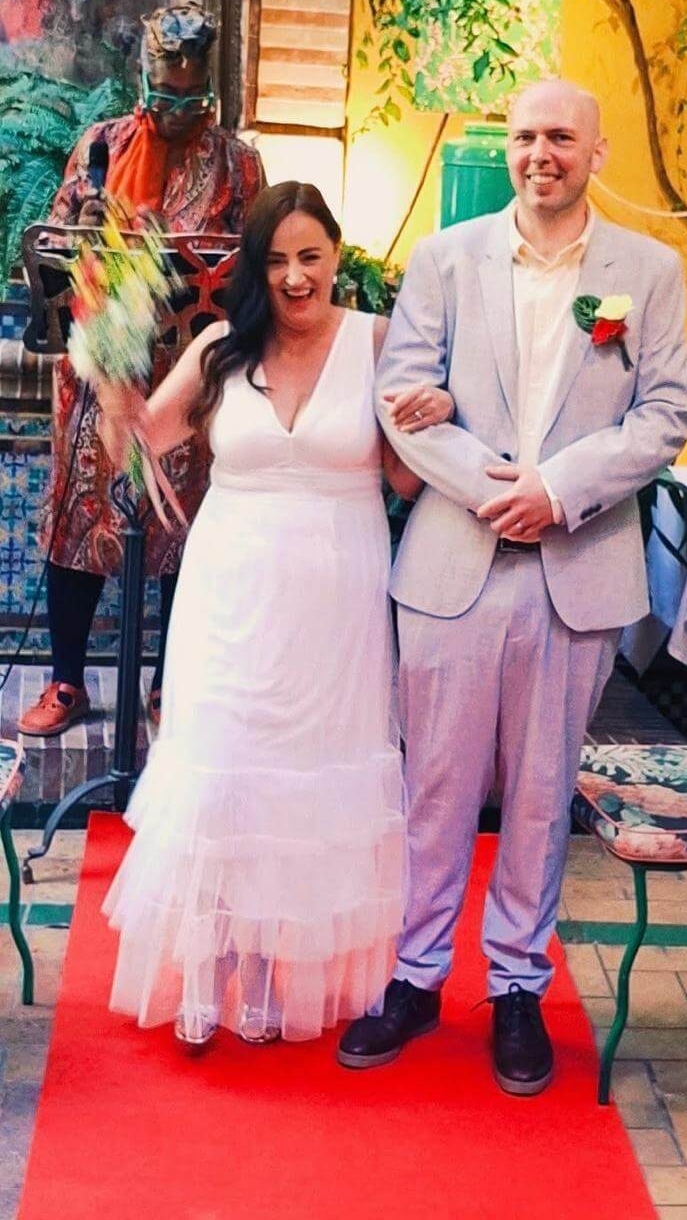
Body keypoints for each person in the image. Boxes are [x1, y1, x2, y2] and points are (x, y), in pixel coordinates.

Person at [339, 76, 687, 1094]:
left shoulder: (648, 271)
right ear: (509, 146)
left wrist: (558, 490)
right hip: (454, 564)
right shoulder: (447, 259)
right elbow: (400, 398)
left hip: (574, 571)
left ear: (596, 152)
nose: (540, 151)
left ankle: (514, 990)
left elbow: (665, 411)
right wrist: (500, 493)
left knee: (541, 799)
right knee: (435, 791)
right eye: (524, 135)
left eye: (560, 137)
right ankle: (412, 979)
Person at [96, 181, 453, 1048]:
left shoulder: (378, 340)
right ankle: (209, 973)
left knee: (304, 782)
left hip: (336, 605)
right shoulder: (223, 346)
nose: (295, 277)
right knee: (225, 769)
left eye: (310, 256)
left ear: (336, 255)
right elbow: (142, 445)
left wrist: (434, 413)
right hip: (229, 593)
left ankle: (265, 976)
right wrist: (109, 380)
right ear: (256, 268)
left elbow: (405, 481)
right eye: (276, 260)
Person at [19, 3, 264, 739]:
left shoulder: (238, 162)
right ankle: (67, 682)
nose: (176, 105)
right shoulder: (100, 145)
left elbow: (254, 258)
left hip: (189, 376)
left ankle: (170, 684)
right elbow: (56, 243)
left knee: (181, 525)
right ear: (145, 74)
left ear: (210, 82)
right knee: (79, 521)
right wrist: (90, 227)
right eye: (164, 89)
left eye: (190, 94)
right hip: (100, 378)